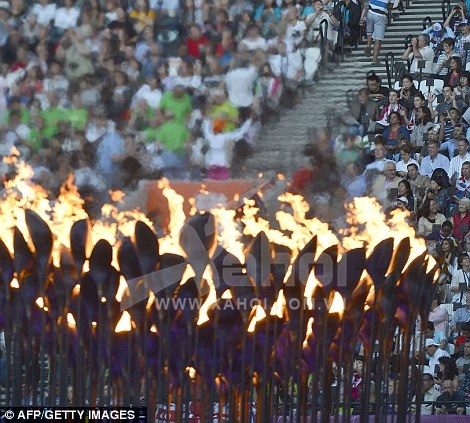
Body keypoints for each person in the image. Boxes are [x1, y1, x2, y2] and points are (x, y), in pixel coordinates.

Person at [364, 0, 393, 65]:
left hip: (370, 12)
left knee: (369, 32)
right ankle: (374, 59)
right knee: (378, 38)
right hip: (380, 14)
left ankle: (368, 45)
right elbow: (391, 5)